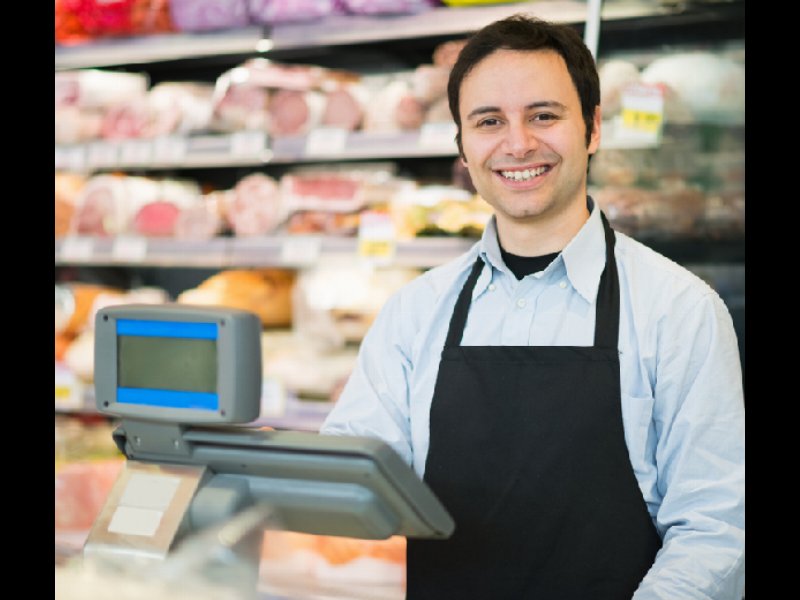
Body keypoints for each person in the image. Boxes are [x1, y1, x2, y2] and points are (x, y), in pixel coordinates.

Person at [321, 14, 745, 599]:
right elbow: (351, 497)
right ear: (464, 150)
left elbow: (716, 531)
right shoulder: (414, 313)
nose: (517, 143)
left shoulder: (680, 311)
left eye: (543, 115)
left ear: (593, 128)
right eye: (489, 121)